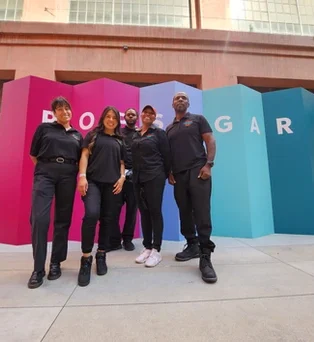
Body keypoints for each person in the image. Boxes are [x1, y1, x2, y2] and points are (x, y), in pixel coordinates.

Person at [28, 96, 83, 289]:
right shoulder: (44, 129)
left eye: (67, 109)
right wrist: (46, 168)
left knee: (62, 219)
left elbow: (81, 160)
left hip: (68, 175)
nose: (64, 112)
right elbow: (33, 154)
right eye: (60, 109)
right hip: (45, 174)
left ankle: (55, 263)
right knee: (40, 219)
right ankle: (37, 269)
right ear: (54, 113)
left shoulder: (77, 135)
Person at [166, 92, 217, 284]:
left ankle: (205, 256)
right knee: (184, 211)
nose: (180, 100)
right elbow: (169, 153)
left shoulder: (197, 119)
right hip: (178, 175)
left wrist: (208, 164)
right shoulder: (169, 128)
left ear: (188, 103)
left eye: (183, 98)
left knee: (202, 212)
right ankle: (192, 245)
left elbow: (210, 140)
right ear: (172, 103)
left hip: (198, 170)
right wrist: (170, 171)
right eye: (177, 98)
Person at [77, 106, 125, 287]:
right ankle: (86, 259)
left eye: (114, 117)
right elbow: (84, 156)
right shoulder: (93, 135)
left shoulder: (120, 140)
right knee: (91, 214)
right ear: (103, 118)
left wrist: (121, 178)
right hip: (93, 183)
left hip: (112, 185)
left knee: (108, 219)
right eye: (108, 116)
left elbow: (122, 163)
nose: (111, 119)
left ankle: (102, 254)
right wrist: (82, 177)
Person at [131, 105, 171, 267]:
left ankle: (156, 250)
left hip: (155, 176)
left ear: (155, 117)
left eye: (151, 113)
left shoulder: (159, 133)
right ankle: (147, 247)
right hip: (137, 178)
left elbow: (167, 156)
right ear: (141, 115)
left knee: (154, 211)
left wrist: (168, 174)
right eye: (145, 112)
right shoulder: (135, 134)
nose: (147, 115)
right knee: (144, 212)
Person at [106, 108, 139, 252]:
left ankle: (127, 239)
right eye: (128, 114)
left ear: (137, 118)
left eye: (133, 114)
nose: (130, 116)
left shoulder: (140, 134)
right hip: (117, 177)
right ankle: (114, 240)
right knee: (113, 209)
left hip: (135, 177)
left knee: (132, 210)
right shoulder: (118, 133)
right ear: (124, 117)